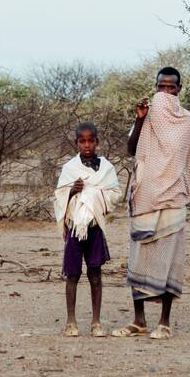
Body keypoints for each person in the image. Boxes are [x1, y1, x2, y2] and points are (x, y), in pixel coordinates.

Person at [112, 66, 190, 340]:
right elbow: (131, 149)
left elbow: (187, 158)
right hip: (146, 193)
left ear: (179, 89)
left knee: (170, 260)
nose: (166, 92)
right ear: (156, 87)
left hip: (173, 195)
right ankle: (138, 320)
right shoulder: (145, 118)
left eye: (171, 88)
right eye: (161, 87)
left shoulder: (187, 121)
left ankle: (164, 322)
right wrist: (139, 120)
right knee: (140, 256)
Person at [53, 121, 121, 338]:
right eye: (82, 141)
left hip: (94, 227)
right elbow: (59, 196)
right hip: (75, 227)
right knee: (72, 274)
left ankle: (96, 321)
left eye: (91, 140)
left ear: (97, 142)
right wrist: (73, 191)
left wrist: (95, 195)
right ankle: (71, 321)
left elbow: (114, 195)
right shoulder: (70, 168)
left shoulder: (107, 168)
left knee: (95, 273)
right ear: (76, 143)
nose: (87, 145)